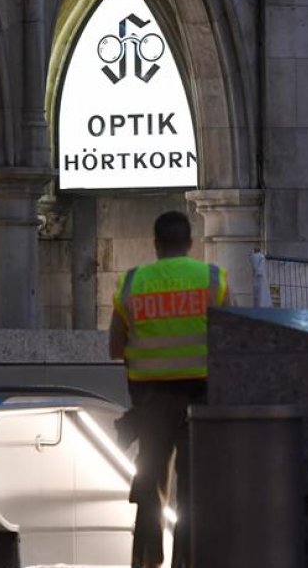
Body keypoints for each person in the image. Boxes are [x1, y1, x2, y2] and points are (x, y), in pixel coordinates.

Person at [108, 211, 230, 568]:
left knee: (150, 487)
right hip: (200, 398)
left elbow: (115, 348)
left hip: (151, 402)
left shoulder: (133, 282)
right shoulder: (212, 280)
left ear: (156, 245)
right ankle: (187, 563)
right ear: (190, 244)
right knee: (193, 487)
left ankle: (146, 561)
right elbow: (232, 341)